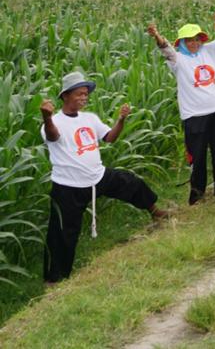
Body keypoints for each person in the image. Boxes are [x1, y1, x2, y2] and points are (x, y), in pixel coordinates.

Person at [41, 71, 168, 283]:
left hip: (97, 176)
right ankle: (55, 280)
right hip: (68, 187)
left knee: (130, 183)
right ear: (65, 96)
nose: (84, 98)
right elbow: (52, 136)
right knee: (62, 234)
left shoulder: (90, 118)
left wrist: (121, 119)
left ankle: (155, 211)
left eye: (85, 94)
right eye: (79, 94)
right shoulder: (54, 122)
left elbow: (110, 138)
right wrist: (46, 117)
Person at [146, 8, 215, 204]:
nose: (194, 43)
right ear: (182, 43)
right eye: (189, 40)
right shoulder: (178, 59)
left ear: (202, 39)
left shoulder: (209, 51)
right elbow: (165, 48)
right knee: (198, 156)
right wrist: (157, 36)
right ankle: (197, 195)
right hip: (194, 115)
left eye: (197, 39)